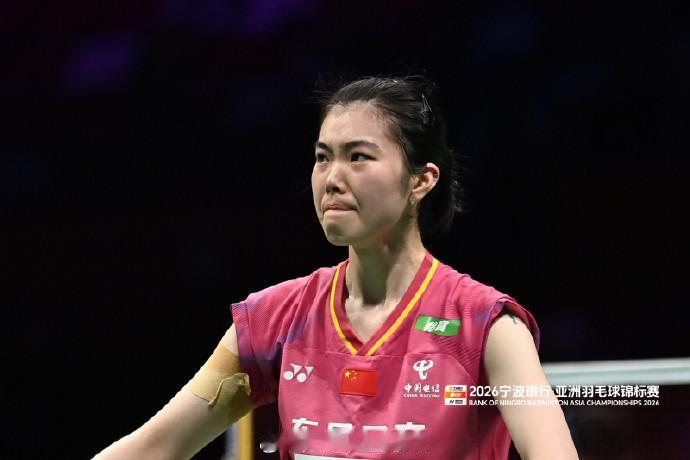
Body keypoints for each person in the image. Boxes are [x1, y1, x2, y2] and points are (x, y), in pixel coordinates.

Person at [93, 76, 578, 459]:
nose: (332, 179)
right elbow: (155, 448)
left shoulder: (486, 327)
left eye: (358, 157)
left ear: (421, 180)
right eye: (322, 158)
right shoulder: (276, 321)